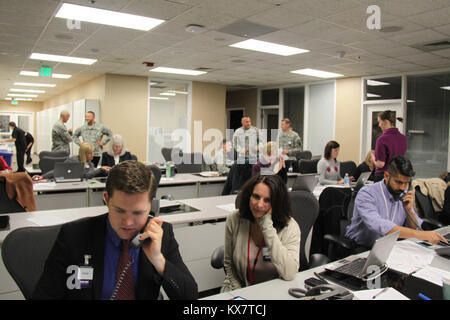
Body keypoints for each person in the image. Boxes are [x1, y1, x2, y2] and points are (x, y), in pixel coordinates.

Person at [32, 160, 198, 300]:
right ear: (106, 200)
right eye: (119, 210)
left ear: (151, 207)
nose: (128, 222)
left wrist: (158, 260)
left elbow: (189, 295)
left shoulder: (161, 235)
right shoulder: (74, 235)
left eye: (138, 213)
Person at [345, 156, 448, 249]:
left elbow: (414, 227)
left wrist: (409, 211)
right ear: (386, 176)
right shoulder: (367, 193)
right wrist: (419, 234)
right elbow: (379, 225)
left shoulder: (402, 195)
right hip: (361, 248)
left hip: (389, 248)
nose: (403, 188)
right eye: (399, 182)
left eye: (406, 183)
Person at [221, 174, 300, 292]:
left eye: (267, 200)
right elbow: (229, 264)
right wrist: (240, 294)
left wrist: (267, 225)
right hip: (237, 288)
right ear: (249, 196)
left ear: (276, 203)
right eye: (256, 197)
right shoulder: (235, 219)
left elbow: (289, 273)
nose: (259, 204)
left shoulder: (290, 226)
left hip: (274, 291)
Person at [33, 143, 109, 181]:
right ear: (84, 154)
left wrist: (101, 170)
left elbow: (89, 175)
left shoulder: (90, 164)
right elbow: (58, 170)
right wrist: (42, 176)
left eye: (92, 152)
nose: (92, 155)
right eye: (90, 153)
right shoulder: (73, 160)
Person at [373, 110, 407, 182]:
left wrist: (373, 158)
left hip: (383, 176)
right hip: (398, 175)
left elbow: (380, 164)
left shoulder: (382, 139)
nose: (379, 125)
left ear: (386, 122)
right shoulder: (403, 138)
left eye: (380, 122)